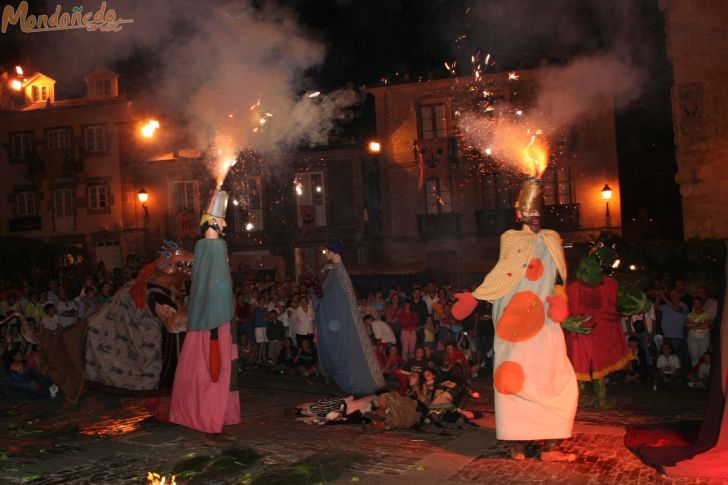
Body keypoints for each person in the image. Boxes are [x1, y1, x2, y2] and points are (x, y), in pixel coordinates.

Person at [451, 178, 577, 462]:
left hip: (544, 327)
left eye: (538, 215)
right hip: (513, 328)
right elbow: (501, 274)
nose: (534, 219)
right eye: (529, 214)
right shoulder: (510, 239)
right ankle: (517, 446)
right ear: (518, 214)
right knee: (513, 382)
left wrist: (560, 300)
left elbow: (558, 277)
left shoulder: (552, 239)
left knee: (557, 382)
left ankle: (551, 447)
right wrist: (476, 296)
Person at [170, 187, 240, 442]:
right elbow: (211, 286)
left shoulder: (209, 248)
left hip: (215, 321)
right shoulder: (211, 249)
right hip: (213, 324)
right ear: (213, 223)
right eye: (221, 221)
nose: (224, 225)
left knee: (216, 376)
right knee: (213, 376)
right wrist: (213, 326)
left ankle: (216, 416)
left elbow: (213, 286)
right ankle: (211, 421)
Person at [309, 240, 385, 395]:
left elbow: (326, 293)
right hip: (340, 317)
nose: (326, 254)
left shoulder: (333, 270)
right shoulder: (338, 271)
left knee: (346, 348)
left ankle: (356, 380)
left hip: (341, 318)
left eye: (327, 251)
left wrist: (313, 289)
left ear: (332, 251)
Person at [564, 246, 634, 409]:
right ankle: (595, 400)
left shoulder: (574, 288)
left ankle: (584, 400)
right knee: (589, 369)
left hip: (587, 332)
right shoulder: (605, 286)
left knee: (586, 368)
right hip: (585, 331)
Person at [658, 289, 690, 372]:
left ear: (680, 296)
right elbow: (656, 308)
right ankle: (668, 373)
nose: (673, 296)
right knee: (666, 356)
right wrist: (658, 298)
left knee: (676, 357)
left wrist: (665, 299)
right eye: (671, 294)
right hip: (666, 336)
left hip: (676, 337)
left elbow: (678, 309)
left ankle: (679, 374)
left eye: (675, 294)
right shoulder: (665, 305)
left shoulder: (683, 305)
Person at [686, 297, 712, 368]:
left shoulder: (706, 314)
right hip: (692, 338)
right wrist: (701, 323)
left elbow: (706, 325)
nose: (696, 305)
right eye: (694, 303)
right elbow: (688, 325)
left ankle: (702, 375)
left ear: (701, 304)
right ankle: (694, 374)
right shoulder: (690, 314)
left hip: (704, 337)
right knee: (694, 357)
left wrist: (694, 325)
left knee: (703, 357)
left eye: (698, 303)